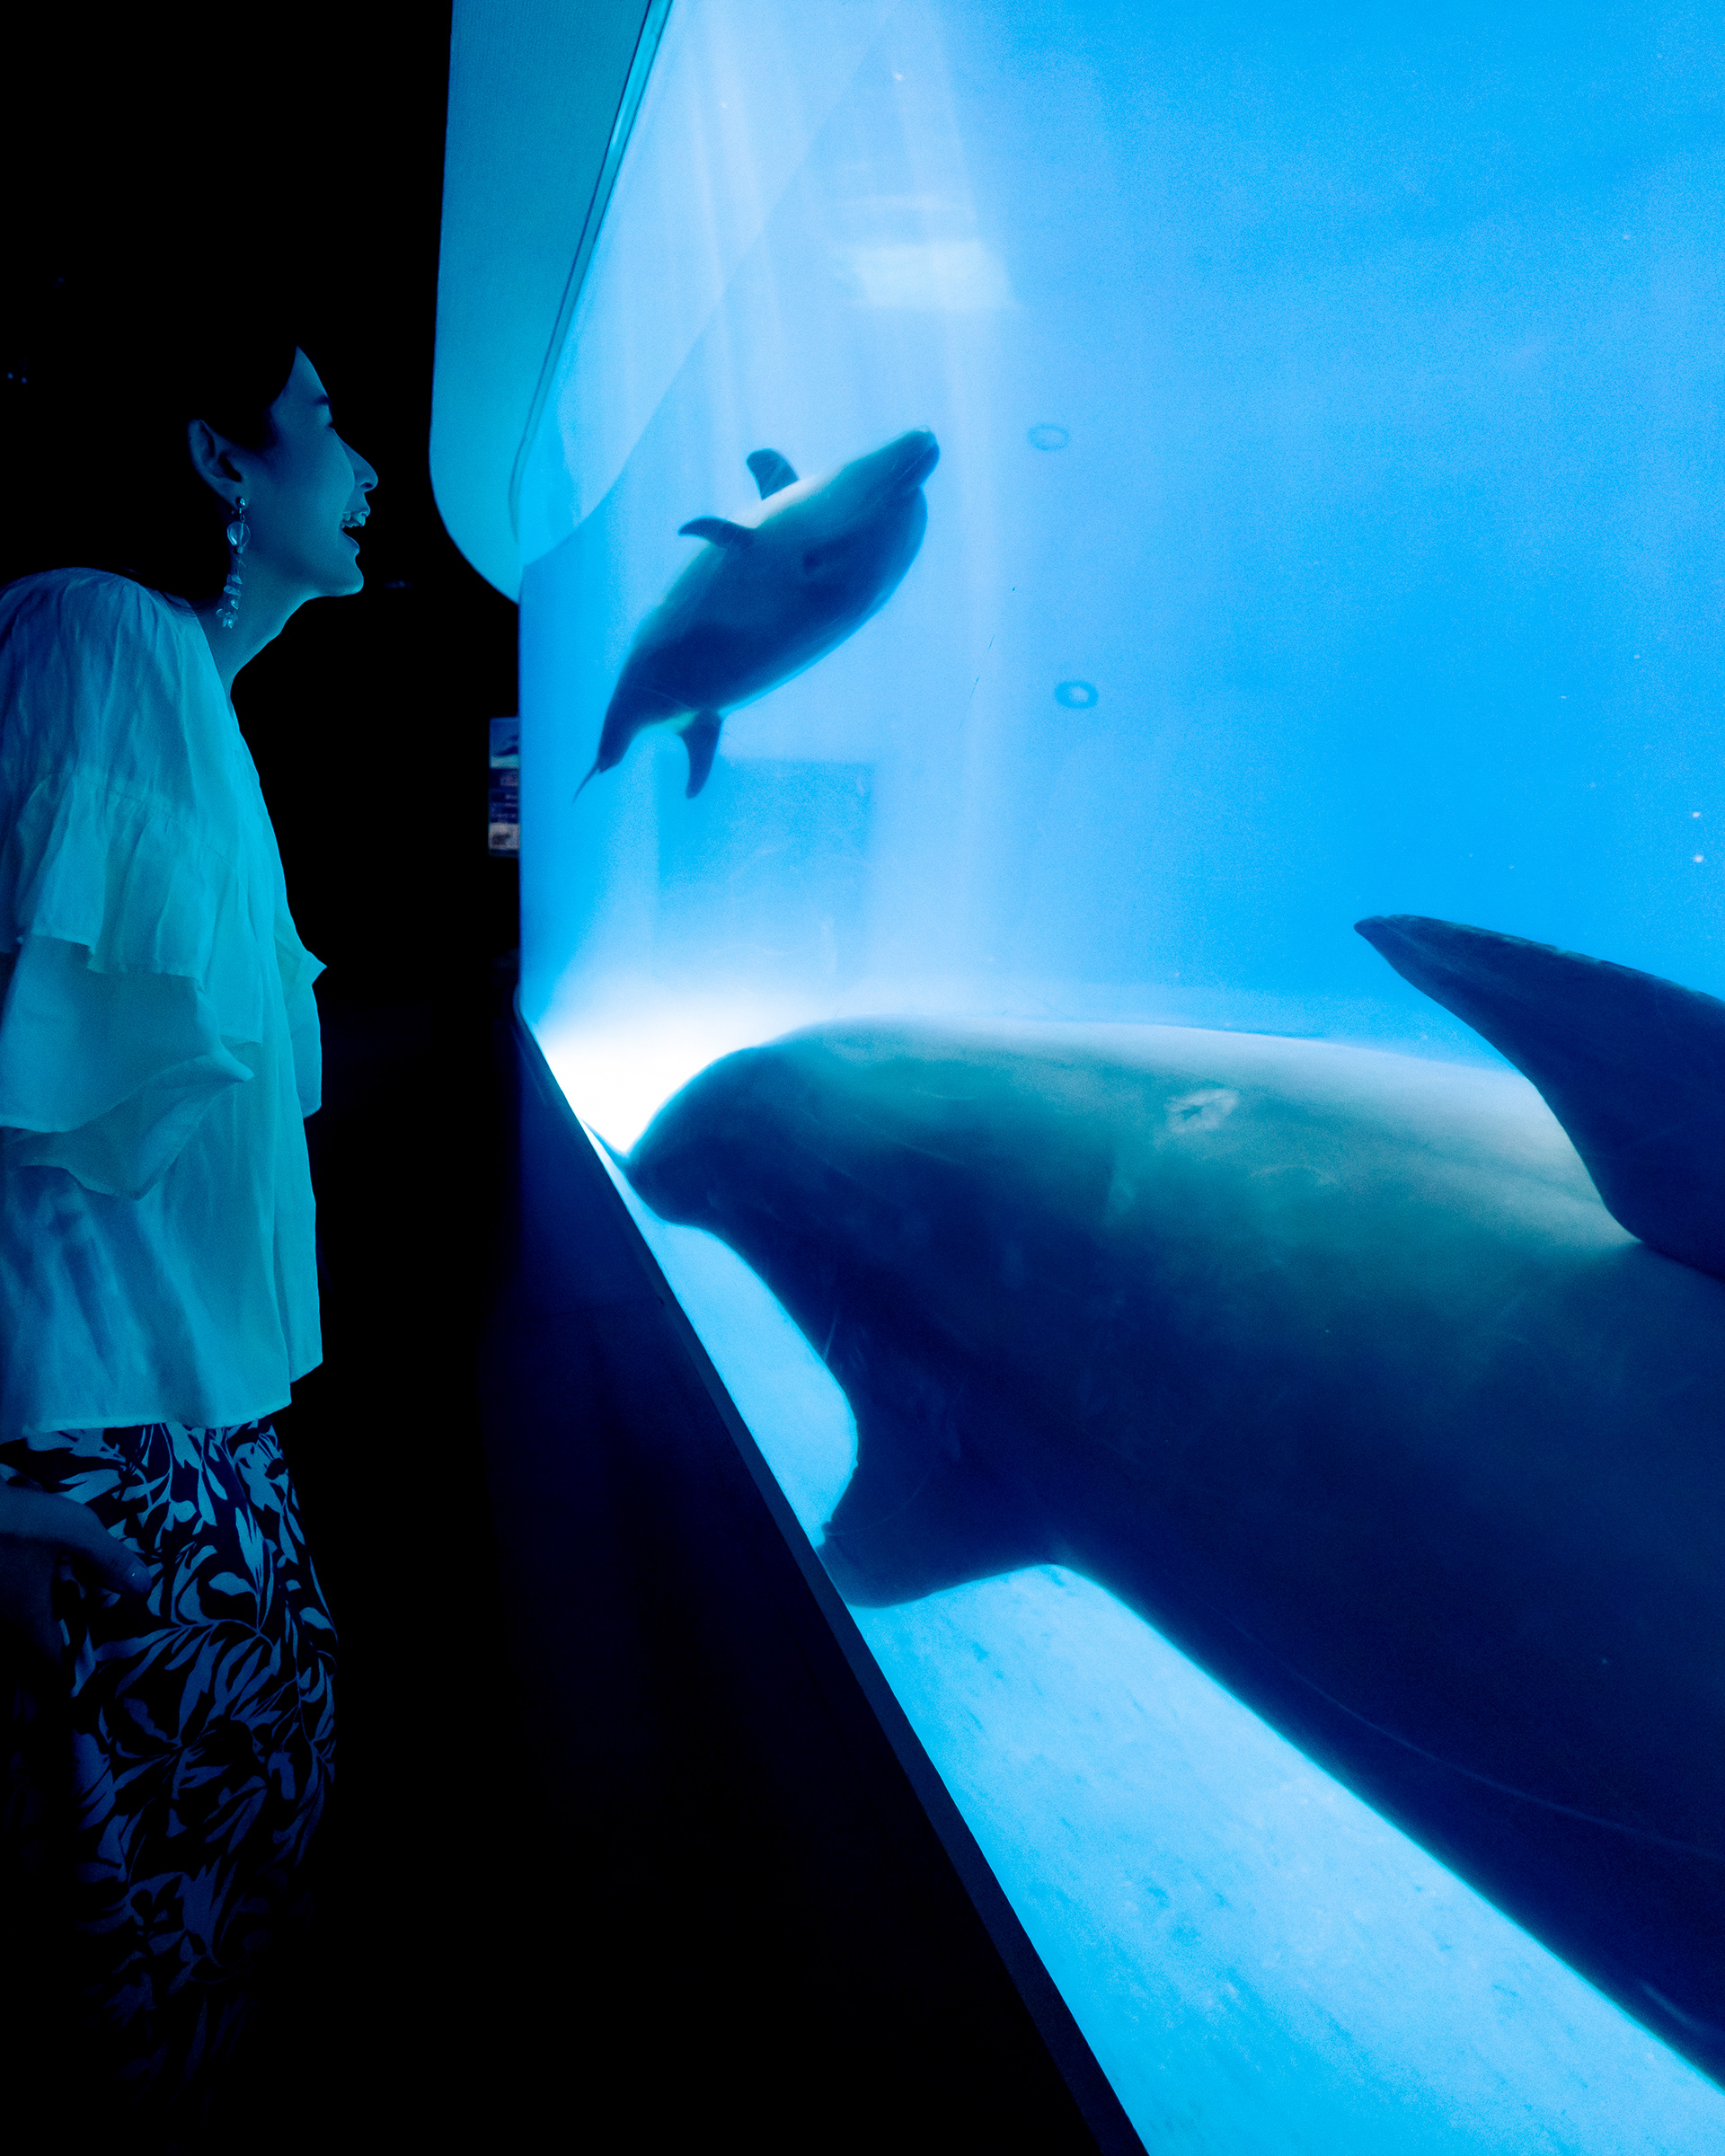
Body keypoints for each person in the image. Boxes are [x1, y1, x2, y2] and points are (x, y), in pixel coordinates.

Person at [0, 278, 376, 2128]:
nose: (366, 465)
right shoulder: (99, 636)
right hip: (82, 1463)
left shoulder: (159, 680)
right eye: (326, 417)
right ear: (223, 459)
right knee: (135, 2025)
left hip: (154, 1441)